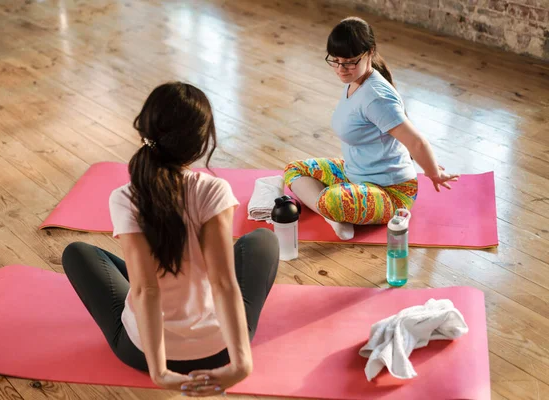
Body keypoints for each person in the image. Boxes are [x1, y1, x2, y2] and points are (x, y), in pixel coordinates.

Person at [61, 82, 279, 397]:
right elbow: (223, 283)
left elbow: (146, 289)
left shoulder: (125, 197)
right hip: (220, 353)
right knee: (262, 240)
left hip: (142, 354)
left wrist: (160, 371)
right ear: (202, 143)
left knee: (78, 253)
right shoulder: (213, 190)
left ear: (145, 133)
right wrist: (241, 364)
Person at [284, 17, 460, 240]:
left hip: (390, 192)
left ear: (370, 52)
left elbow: (416, 141)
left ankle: (334, 211)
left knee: (331, 199)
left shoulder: (377, 97)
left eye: (348, 61)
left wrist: (434, 172)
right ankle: (333, 217)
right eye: (335, 60)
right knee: (294, 170)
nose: (340, 68)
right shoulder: (355, 78)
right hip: (354, 174)